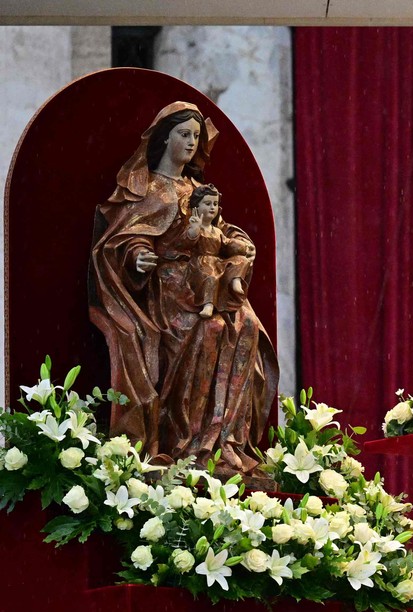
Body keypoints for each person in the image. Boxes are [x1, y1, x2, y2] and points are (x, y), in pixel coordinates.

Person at [89, 102, 277, 476]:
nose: (192, 142)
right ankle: (187, 443)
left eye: (196, 136)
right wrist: (138, 256)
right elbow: (124, 237)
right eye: (184, 134)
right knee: (211, 329)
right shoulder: (146, 188)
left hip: (208, 278)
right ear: (164, 138)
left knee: (249, 328)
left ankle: (226, 441)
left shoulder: (198, 188)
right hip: (169, 286)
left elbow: (220, 231)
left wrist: (239, 242)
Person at [183, 185, 254, 319]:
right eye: (207, 203)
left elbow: (227, 244)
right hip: (201, 263)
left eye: (215, 204)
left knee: (241, 260)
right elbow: (187, 242)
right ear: (196, 208)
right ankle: (208, 304)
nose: (212, 208)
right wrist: (194, 229)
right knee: (211, 276)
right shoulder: (195, 227)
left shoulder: (217, 231)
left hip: (217, 262)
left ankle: (235, 281)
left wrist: (244, 247)